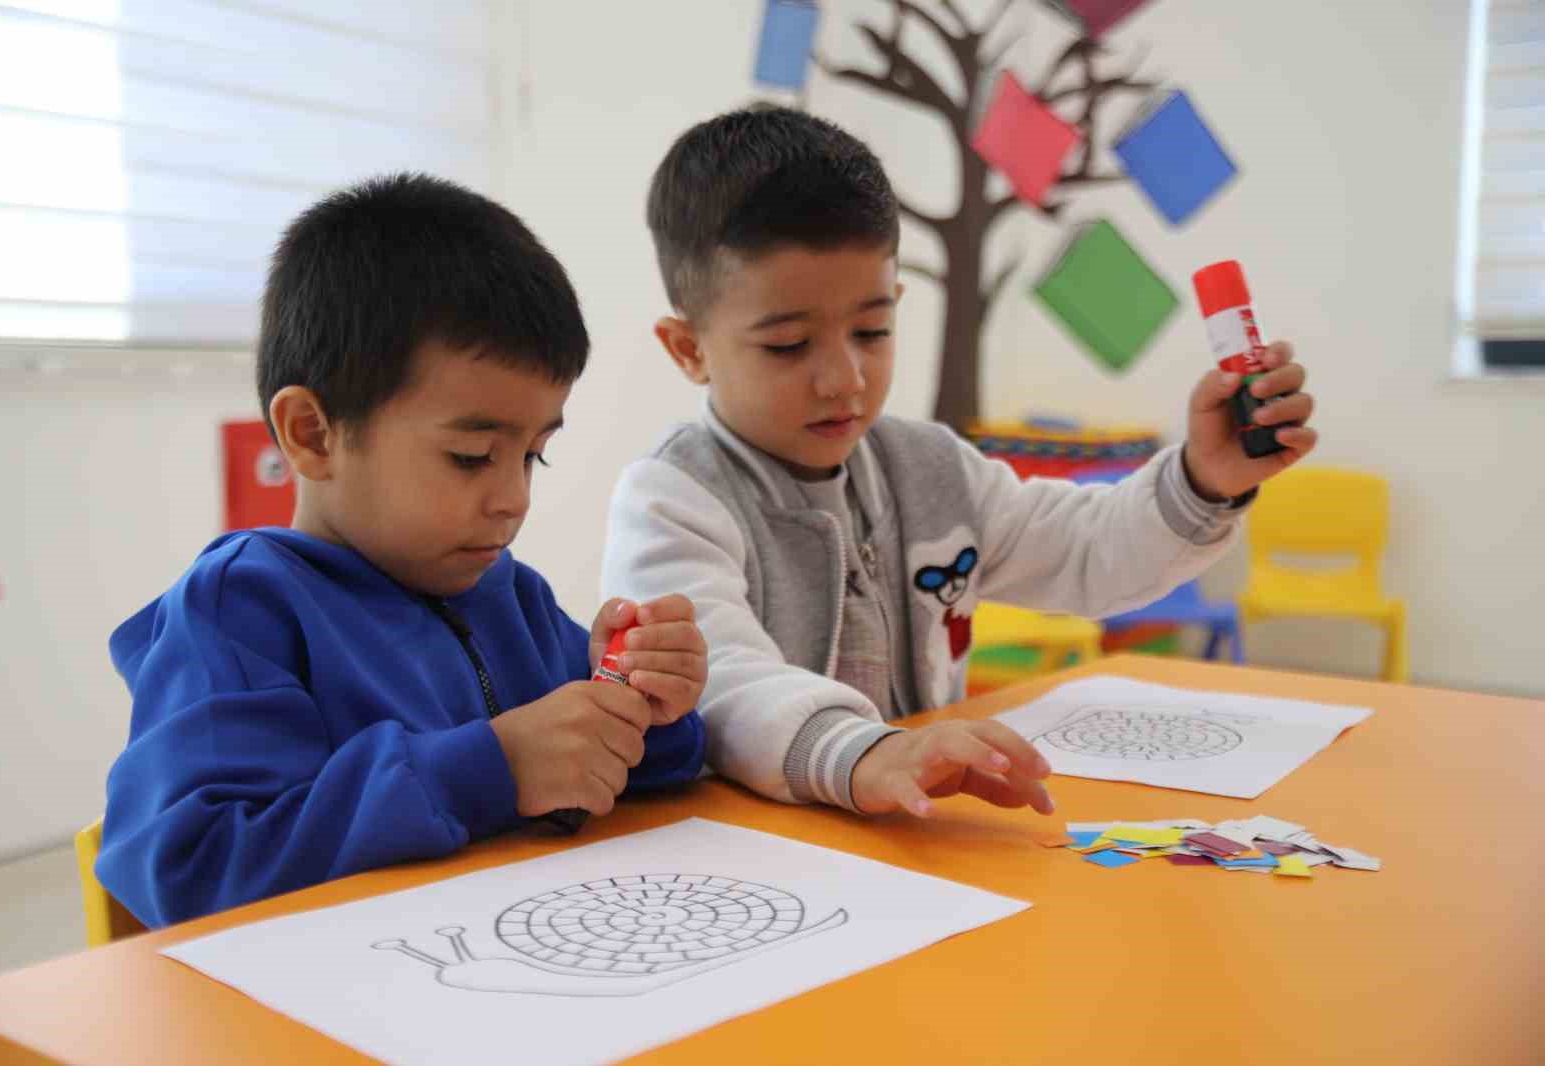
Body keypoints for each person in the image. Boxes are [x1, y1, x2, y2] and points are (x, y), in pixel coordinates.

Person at [602, 108, 1316, 820]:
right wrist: (867, 754)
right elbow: (720, 678)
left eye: (872, 330)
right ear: (689, 349)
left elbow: (1088, 551)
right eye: (788, 345)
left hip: (915, 835)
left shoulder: (931, 469)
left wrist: (1203, 479)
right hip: (764, 854)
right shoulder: (671, 498)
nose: (844, 377)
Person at [99, 174, 708, 927]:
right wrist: (495, 768)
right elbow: (189, 869)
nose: (514, 498)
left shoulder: (508, 594)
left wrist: (646, 708)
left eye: (533, 456)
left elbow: (620, 781)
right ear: (314, 435)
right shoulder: (240, 612)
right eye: (471, 456)